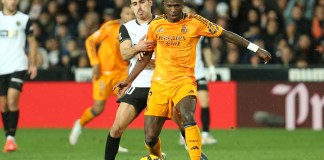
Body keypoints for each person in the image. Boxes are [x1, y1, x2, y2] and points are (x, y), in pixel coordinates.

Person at [114, 0, 271, 159]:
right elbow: (145, 57)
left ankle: (195, 157)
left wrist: (255, 48)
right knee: (150, 137)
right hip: (160, 85)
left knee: (187, 116)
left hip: (184, 81)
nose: (173, 10)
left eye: (177, 6)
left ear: (182, 5)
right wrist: (128, 80)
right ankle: (157, 157)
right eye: (169, 6)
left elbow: (225, 34)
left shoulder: (195, 22)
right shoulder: (156, 25)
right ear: (163, 6)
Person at [68, 5, 134, 153]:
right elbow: (90, 41)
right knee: (98, 108)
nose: (129, 15)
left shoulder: (137, 29)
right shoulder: (110, 27)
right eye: (126, 12)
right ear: (121, 14)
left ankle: (116, 141)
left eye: (131, 13)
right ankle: (79, 123)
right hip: (104, 73)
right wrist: (95, 63)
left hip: (122, 73)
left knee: (123, 107)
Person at [104, 0, 156, 159]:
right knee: (116, 128)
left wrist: (151, 60)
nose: (139, 7)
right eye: (134, 4)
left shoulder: (163, 23)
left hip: (161, 83)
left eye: (142, 2)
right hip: (138, 83)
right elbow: (125, 53)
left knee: (182, 124)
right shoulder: (127, 27)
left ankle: (198, 155)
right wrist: (138, 48)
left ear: (150, 2)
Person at [0, 0, 38, 152]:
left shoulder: (24, 19)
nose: (13, 2)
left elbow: (32, 42)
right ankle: (8, 137)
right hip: (1, 67)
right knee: (3, 104)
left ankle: (11, 139)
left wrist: (33, 63)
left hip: (18, 65)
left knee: (11, 100)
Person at [178, 2, 217, 146]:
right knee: (186, 107)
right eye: (185, 10)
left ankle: (206, 134)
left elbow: (206, 49)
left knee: (205, 102)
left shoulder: (199, 29)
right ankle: (184, 136)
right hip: (183, 74)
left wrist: (211, 66)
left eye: (190, 11)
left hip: (198, 73)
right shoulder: (175, 30)